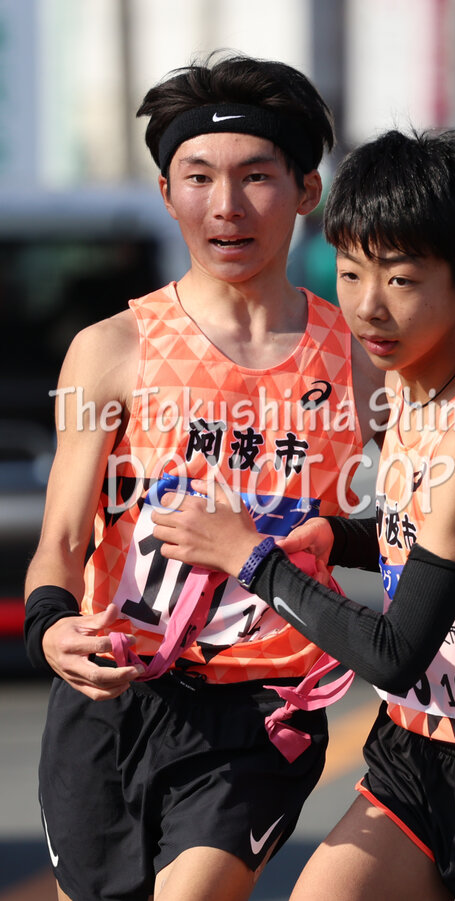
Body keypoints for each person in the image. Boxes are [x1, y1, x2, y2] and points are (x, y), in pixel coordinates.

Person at [151, 128, 455, 901]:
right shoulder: (406, 376)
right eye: (351, 271)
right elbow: (429, 539)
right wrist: (340, 536)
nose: (366, 306)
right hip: (417, 756)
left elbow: (395, 655)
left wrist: (249, 556)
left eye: (400, 279)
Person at [23, 51, 384, 901]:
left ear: (307, 190)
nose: (226, 205)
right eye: (198, 177)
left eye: (256, 176)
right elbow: (62, 539)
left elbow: (422, 528)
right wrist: (51, 627)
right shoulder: (110, 351)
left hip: (263, 707)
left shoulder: (360, 361)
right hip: (112, 692)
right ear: (166, 192)